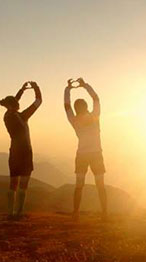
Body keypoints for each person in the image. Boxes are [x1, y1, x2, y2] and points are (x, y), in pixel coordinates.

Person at [64, 78, 107, 220]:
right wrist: (85, 85)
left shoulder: (74, 120)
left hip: (82, 155)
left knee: (79, 185)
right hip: (96, 154)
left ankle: (76, 212)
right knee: (100, 185)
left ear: (77, 109)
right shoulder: (95, 116)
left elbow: (66, 106)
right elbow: (96, 98)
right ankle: (104, 213)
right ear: (86, 107)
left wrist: (68, 89)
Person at [0, 81, 42, 220]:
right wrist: (35, 87)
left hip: (14, 152)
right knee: (23, 184)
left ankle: (10, 212)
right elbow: (38, 101)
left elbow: (12, 103)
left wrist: (21, 91)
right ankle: (19, 213)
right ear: (15, 106)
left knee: (13, 184)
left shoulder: (7, 116)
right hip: (25, 152)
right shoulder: (23, 116)